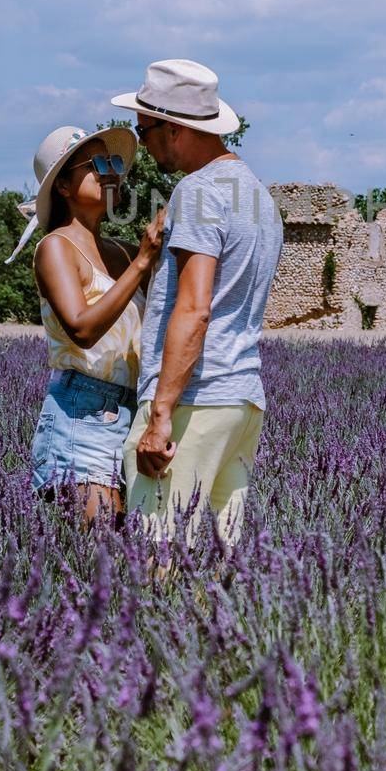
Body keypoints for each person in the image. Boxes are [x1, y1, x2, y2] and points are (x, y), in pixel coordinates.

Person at [111, 59, 283, 551]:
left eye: (145, 132)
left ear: (175, 129)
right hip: (242, 400)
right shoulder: (257, 198)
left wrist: (161, 415)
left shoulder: (199, 191)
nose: (141, 145)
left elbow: (195, 308)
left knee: (156, 556)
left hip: (195, 401)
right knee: (216, 565)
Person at [6, 125, 164, 524]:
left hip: (135, 412)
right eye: (97, 165)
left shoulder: (123, 251)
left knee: (132, 551)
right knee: (97, 552)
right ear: (62, 185)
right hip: (82, 413)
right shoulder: (56, 247)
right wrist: (144, 262)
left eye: (114, 164)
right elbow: (81, 328)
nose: (111, 174)